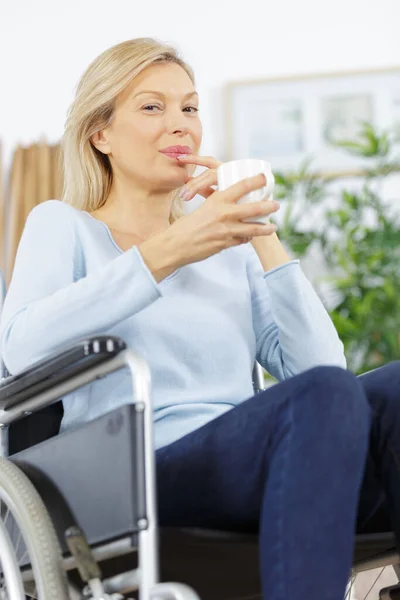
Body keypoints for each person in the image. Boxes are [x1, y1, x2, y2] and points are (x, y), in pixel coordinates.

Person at [0, 38, 399, 600]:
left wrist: (262, 235)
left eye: (189, 107)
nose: (179, 123)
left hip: (252, 456)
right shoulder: (63, 225)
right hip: (137, 470)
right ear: (101, 134)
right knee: (322, 397)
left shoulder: (229, 252)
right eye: (151, 107)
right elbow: (20, 348)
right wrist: (170, 250)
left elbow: (322, 370)